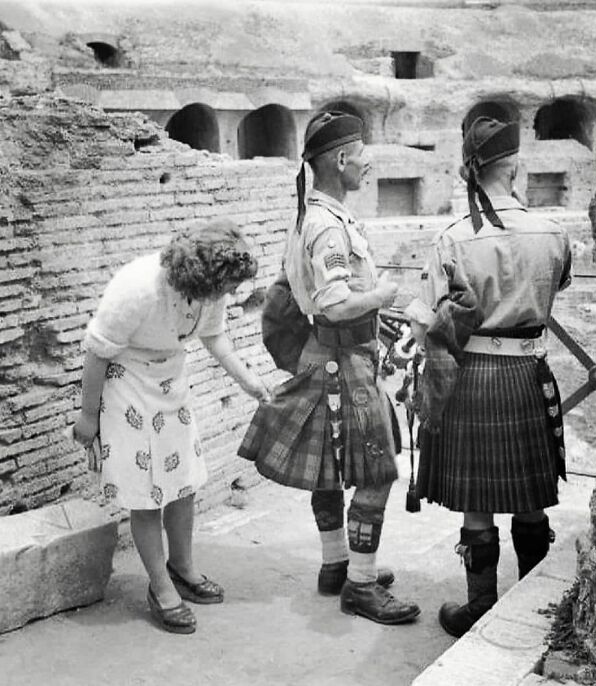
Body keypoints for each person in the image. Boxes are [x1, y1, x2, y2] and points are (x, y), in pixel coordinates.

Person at [239, 111, 420, 625]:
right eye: (361, 155)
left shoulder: (309, 217)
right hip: (343, 361)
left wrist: (367, 311)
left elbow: (298, 299)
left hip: (325, 355)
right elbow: (337, 305)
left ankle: (335, 564)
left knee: (330, 466)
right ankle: (361, 585)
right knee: (377, 469)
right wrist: (382, 295)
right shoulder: (328, 226)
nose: (367, 163)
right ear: (340, 160)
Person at [406, 116, 572, 638]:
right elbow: (557, 286)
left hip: (472, 376)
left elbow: (423, 317)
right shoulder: (554, 233)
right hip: (527, 372)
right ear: (515, 166)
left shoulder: (453, 239)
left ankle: (479, 607)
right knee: (528, 496)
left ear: (469, 173)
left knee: (478, 502)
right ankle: (530, 605)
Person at [73, 217, 270, 635]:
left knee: (181, 484)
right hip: (126, 384)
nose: (232, 294)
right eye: (228, 287)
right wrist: (88, 417)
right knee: (146, 494)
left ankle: (182, 567)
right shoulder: (139, 287)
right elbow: (96, 352)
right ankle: (161, 587)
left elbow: (215, 337)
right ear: (203, 277)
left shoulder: (208, 290)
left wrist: (248, 380)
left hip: (169, 384)